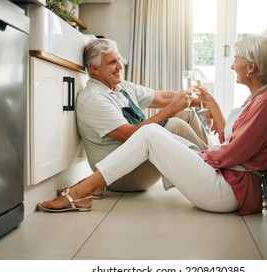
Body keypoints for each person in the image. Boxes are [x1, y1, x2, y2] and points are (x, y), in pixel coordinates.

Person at [38, 34, 267, 216]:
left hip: (232, 189)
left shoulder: (265, 102)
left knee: (155, 132)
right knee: (151, 132)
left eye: (236, 60)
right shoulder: (259, 98)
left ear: (251, 67)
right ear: (94, 68)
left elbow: (233, 150)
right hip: (226, 181)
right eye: (112, 62)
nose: (232, 65)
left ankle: (81, 191)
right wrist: (201, 147)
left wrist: (201, 149)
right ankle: (87, 188)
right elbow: (232, 145)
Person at [76, 38, 211, 194]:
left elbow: (161, 97)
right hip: (120, 175)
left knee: (186, 115)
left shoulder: (121, 87)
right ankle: (217, 172)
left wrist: (204, 103)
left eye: (119, 59)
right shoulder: (94, 98)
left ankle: (217, 160)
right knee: (175, 125)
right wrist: (170, 110)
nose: (120, 66)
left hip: (139, 160)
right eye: (112, 62)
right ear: (94, 68)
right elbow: (131, 135)